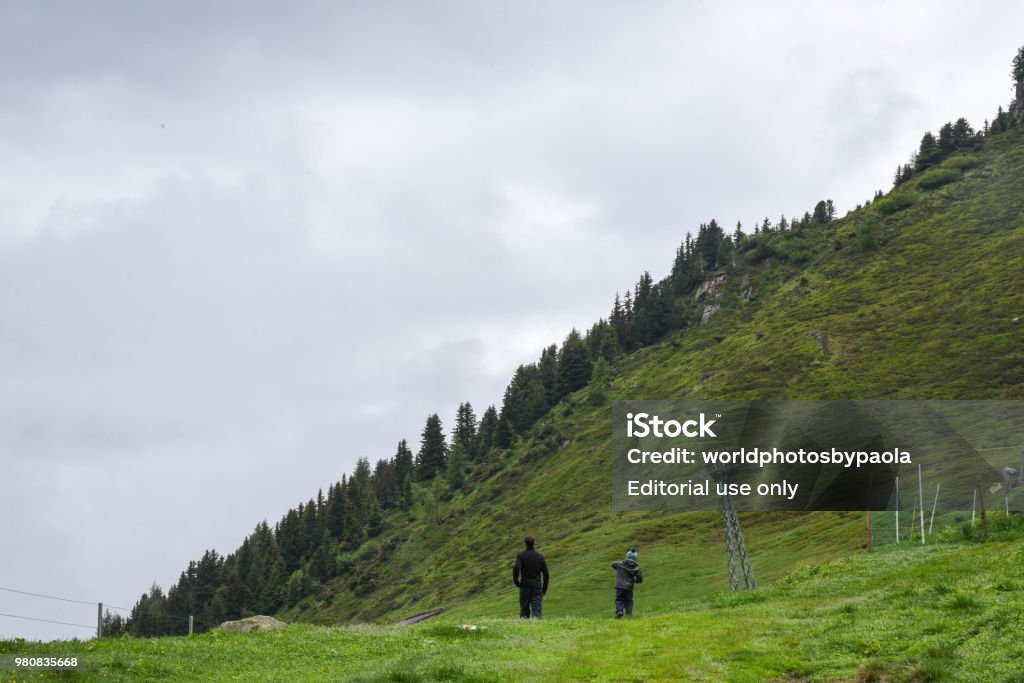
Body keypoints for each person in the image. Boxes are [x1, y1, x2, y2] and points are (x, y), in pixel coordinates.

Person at [513, 535, 549, 619]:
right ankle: (537, 628)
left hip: (525, 586)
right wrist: (544, 589)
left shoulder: (521, 556)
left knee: (524, 611)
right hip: (537, 587)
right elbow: (546, 574)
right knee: (537, 611)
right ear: (534, 543)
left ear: (525, 543)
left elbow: (516, 567)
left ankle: (525, 628)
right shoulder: (540, 557)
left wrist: (516, 581)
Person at [611, 547, 643, 618]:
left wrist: (622, 562)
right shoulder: (636, 568)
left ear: (627, 557)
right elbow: (640, 578)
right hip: (629, 587)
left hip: (619, 586)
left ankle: (619, 612)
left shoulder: (620, 564)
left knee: (619, 599)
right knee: (629, 601)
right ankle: (629, 614)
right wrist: (636, 581)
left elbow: (613, 564)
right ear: (635, 559)